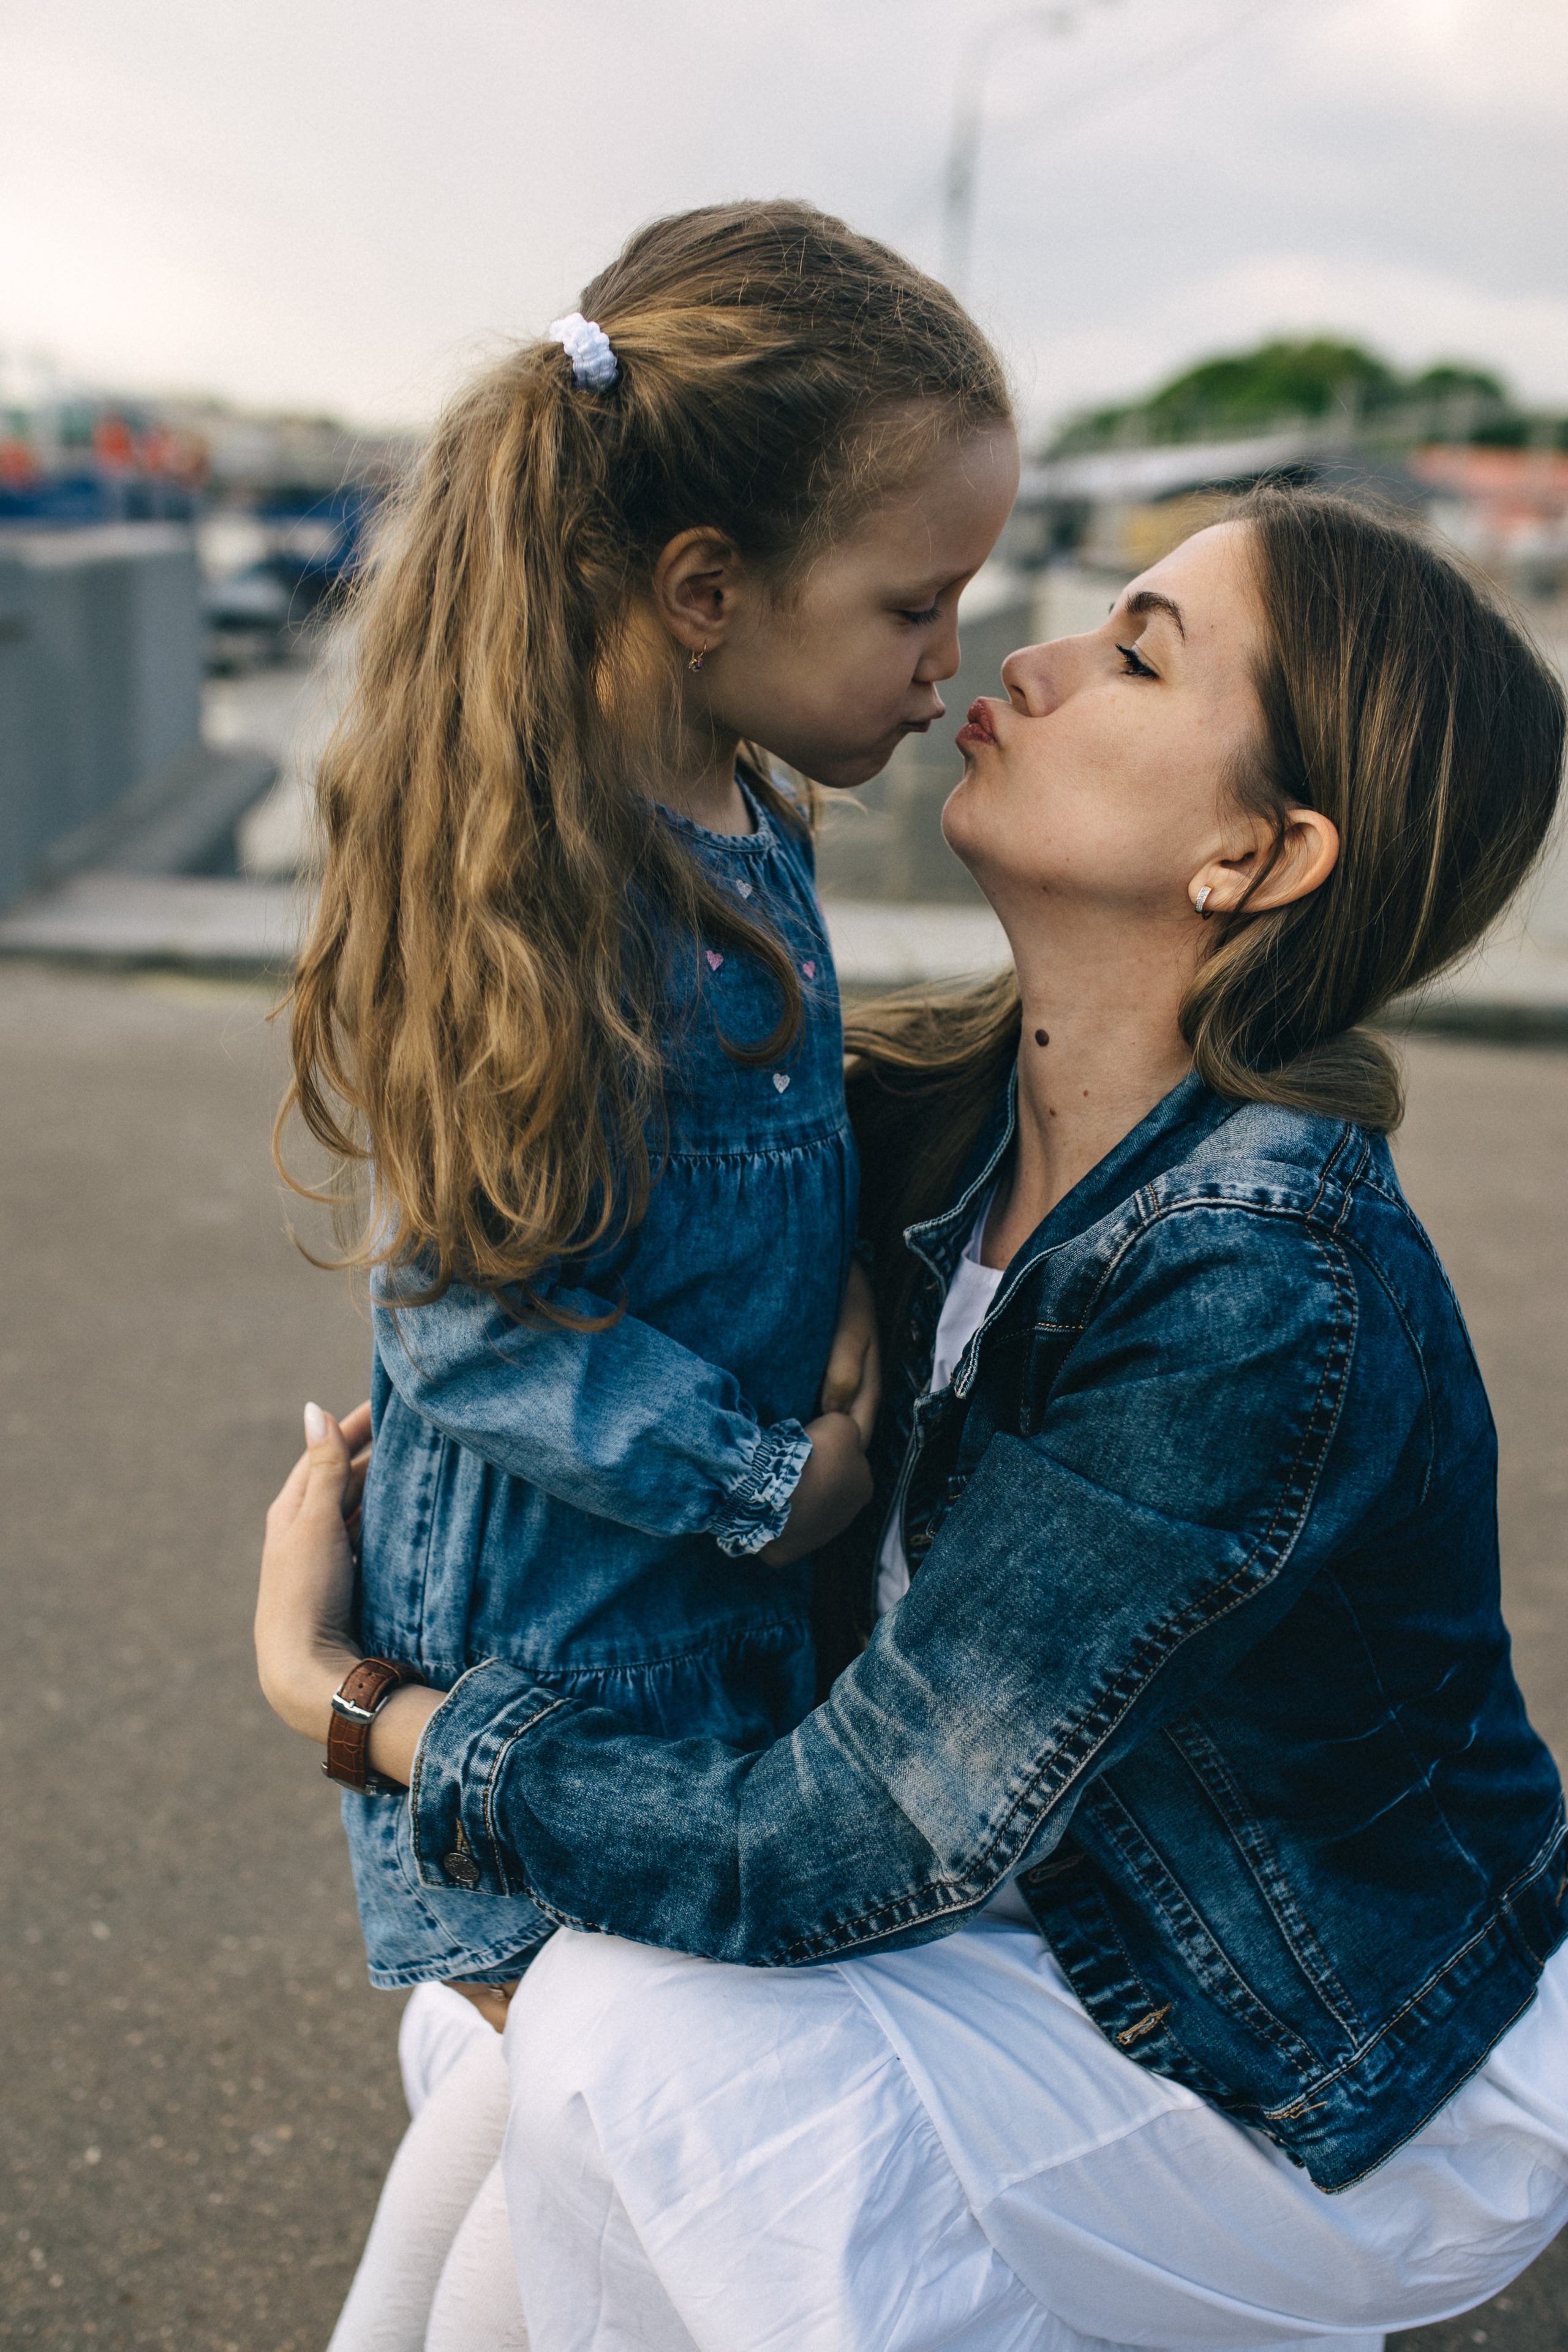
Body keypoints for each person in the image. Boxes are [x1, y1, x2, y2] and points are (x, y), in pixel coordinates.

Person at [259, 488, 1568, 2351]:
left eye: (1135, 654)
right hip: (1043, 1912)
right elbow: (512, 1274)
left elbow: (812, 1855)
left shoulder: (1255, 1291)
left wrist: (363, 1711)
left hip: (1326, 2066)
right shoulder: (926, 1117)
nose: (1024, 659)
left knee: (631, 2039)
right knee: (531, 2026)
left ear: (1255, 856)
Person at [268, 199, 1017, 2342]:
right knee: (558, 2121)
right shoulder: (549, 889)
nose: (945, 657)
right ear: (705, 590)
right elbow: (460, 1320)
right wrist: (771, 1479)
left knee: (567, 2126)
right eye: (914, 603)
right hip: (559, 1661)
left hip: (697, 1649)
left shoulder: (745, 808)